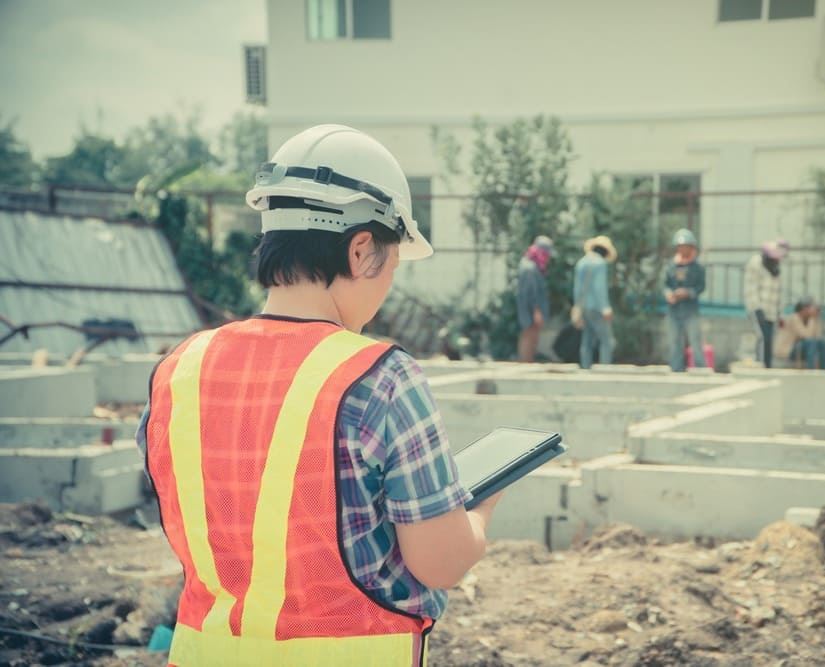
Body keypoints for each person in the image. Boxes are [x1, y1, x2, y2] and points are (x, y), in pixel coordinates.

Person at [136, 125, 499, 667]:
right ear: (361, 251)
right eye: (392, 265)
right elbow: (440, 563)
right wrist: (480, 507)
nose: (387, 285)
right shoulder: (381, 378)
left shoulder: (178, 370)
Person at [663, 228, 706, 372]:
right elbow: (665, 284)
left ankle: (700, 369)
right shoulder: (671, 265)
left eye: (685, 246)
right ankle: (676, 369)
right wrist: (669, 294)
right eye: (680, 246)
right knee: (675, 342)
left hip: (690, 310)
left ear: (691, 247)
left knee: (695, 341)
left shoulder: (697, 267)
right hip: (674, 310)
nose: (682, 249)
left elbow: (701, 286)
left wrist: (688, 293)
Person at [573, 235, 616, 369]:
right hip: (596, 308)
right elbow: (599, 287)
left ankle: (585, 368)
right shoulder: (600, 264)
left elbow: (577, 289)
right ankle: (605, 368)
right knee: (607, 341)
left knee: (587, 340)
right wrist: (605, 307)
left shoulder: (581, 262)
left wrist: (577, 307)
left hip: (584, 307)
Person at [744, 239, 789, 368]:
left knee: (769, 340)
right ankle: (761, 367)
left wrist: (780, 314)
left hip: (772, 312)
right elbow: (751, 288)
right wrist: (756, 308)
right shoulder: (756, 263)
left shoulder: (776, 269)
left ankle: (767, 367)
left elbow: (778, 293)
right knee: (763, 338)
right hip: (758, 309)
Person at [516, 235, 554, 363]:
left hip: (529, 308)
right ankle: (526, 361)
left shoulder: (529, 265)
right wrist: (536, 311)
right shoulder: (530, 268)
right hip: (530, 309)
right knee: (529, 334)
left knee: (531, 334)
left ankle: (527, 360)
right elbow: (531, 292)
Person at [775, 296, 825, 369]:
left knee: (822, 343)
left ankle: (823, 370)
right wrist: (812, 318)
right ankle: (811, 371)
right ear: (804, 309)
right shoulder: (794, 318)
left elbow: (818, 337)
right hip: (787, 350)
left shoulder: (809, 319)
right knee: (811, 343)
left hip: (800, 348)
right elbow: (806, 335)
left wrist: (816, 319)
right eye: (810, 308)